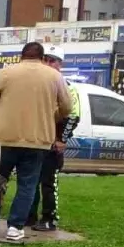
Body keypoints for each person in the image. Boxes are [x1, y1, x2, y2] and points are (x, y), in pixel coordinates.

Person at [0, 41, 72, 243]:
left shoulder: (7, 73)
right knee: (27, 185)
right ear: (41, 57)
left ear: (22, 56)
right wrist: (52, 113)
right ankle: (15, 227)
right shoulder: (55, 76)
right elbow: (67, 108)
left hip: (5, 137)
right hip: (37, 140)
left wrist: (4, 102)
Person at [27, 46, 80, 231]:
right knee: (30, 181)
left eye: (53, 60)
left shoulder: (67, 87)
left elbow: (73, 115)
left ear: (60, 64)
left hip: (53, 143)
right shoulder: (37, 85)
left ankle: (50, 218)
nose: (48, 64)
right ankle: (29, 216)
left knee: (48, 183)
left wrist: (62, 139)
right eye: (46, 59)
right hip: (35, 140)